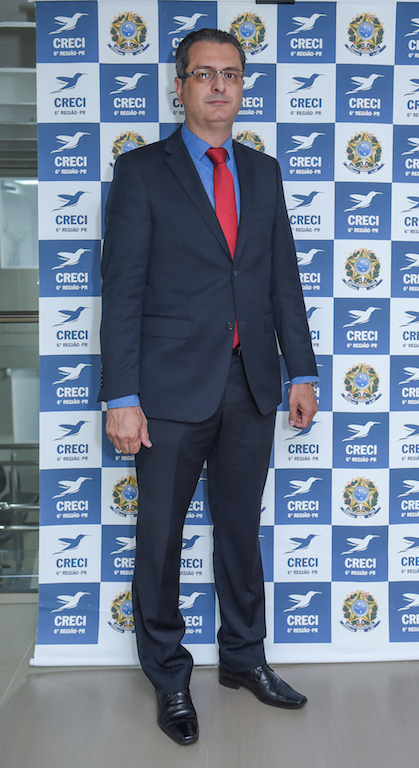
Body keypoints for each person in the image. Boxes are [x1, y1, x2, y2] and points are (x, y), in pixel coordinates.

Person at [99, 28, 318, 746]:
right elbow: (122, 290)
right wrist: (122, 397)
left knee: (240, 533)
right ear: (180, 86)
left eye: (231, 74)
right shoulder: (141, 172)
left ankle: (244, 659)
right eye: (204, 74)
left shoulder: (263, 172)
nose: (219, 86)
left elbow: (282, 278)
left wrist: (301, 370)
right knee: (159, 539)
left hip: (250, 382)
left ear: (241, 86)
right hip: (166, 391)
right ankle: (169, 677)